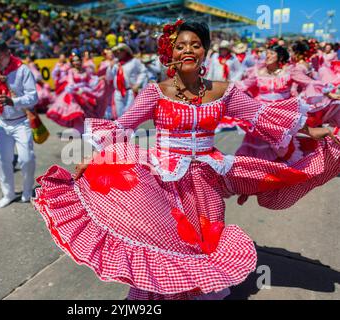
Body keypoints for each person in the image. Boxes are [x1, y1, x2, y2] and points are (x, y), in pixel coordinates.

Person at [32, 20, 340, 300]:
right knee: (165, 236)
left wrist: (316, 129)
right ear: (170, 53)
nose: (188, 50)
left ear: (204, 51)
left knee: (208, 237)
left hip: (207, 176)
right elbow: (122, 126)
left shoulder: (224, 92)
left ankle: (198, 288)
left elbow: (263, 117)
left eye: (195, 44)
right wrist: (93, 157)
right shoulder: (156, 92)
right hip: (163, 175)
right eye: (181, 45)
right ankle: (162, 290)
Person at [0, 39, 38, 208]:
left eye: (0, 58)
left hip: (21, 122)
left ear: (8, 54)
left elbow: (33, 97)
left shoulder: (22, 70)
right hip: (1, 123)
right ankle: (8, 194)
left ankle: (27, 190)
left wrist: (14, 101)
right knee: (3, 160)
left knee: (26, 159)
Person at [46, 53, 106, 133]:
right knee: (78, 113)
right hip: (75, 93)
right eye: (74, 61)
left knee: (89, 113)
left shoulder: (86, 70)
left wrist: (98, 79)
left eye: (77, 60)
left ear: (81, 61)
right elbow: (70, 82)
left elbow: (90, 80)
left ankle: (90, 130)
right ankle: (80, 130)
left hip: (86, 92)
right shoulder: (71, 71)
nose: (76, 62)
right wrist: (75, 90)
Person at [106, 43, 147, 119]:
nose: (117, 53)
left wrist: (137, 84)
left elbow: (143, 71)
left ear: (125, 51)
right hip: (118, 92)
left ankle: (131, 131)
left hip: (129, 91)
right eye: (116, 52)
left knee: (129, 115)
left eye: (120, 51)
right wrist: (110, 67)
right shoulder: (115, 64)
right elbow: (109, 78)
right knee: (119, 115)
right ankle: (122, 131)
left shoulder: (134, 61)